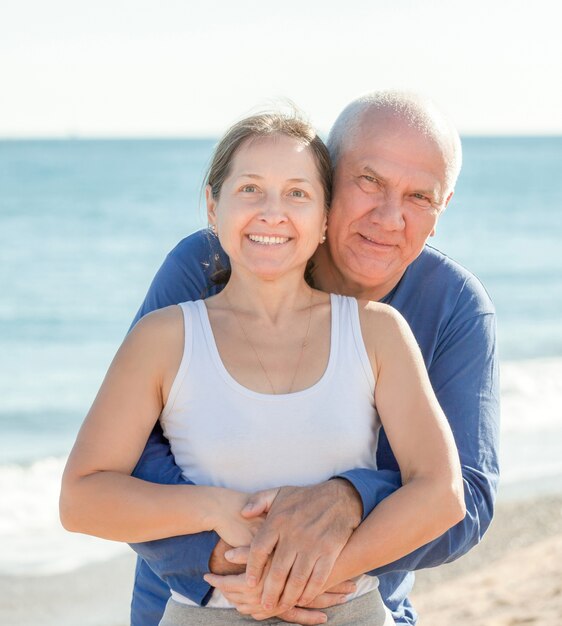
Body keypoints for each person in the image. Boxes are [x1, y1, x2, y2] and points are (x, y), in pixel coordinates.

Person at [59, 109, 466, 626]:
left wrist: (303, 576)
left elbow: (443, 493)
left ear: (324, 218)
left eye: (297, 193)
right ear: (213, 205)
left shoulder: (377, 331)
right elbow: (81, 498)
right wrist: (210, 508)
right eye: (250, 189)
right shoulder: (162, 339)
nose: (273, 212)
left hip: (343, 610)